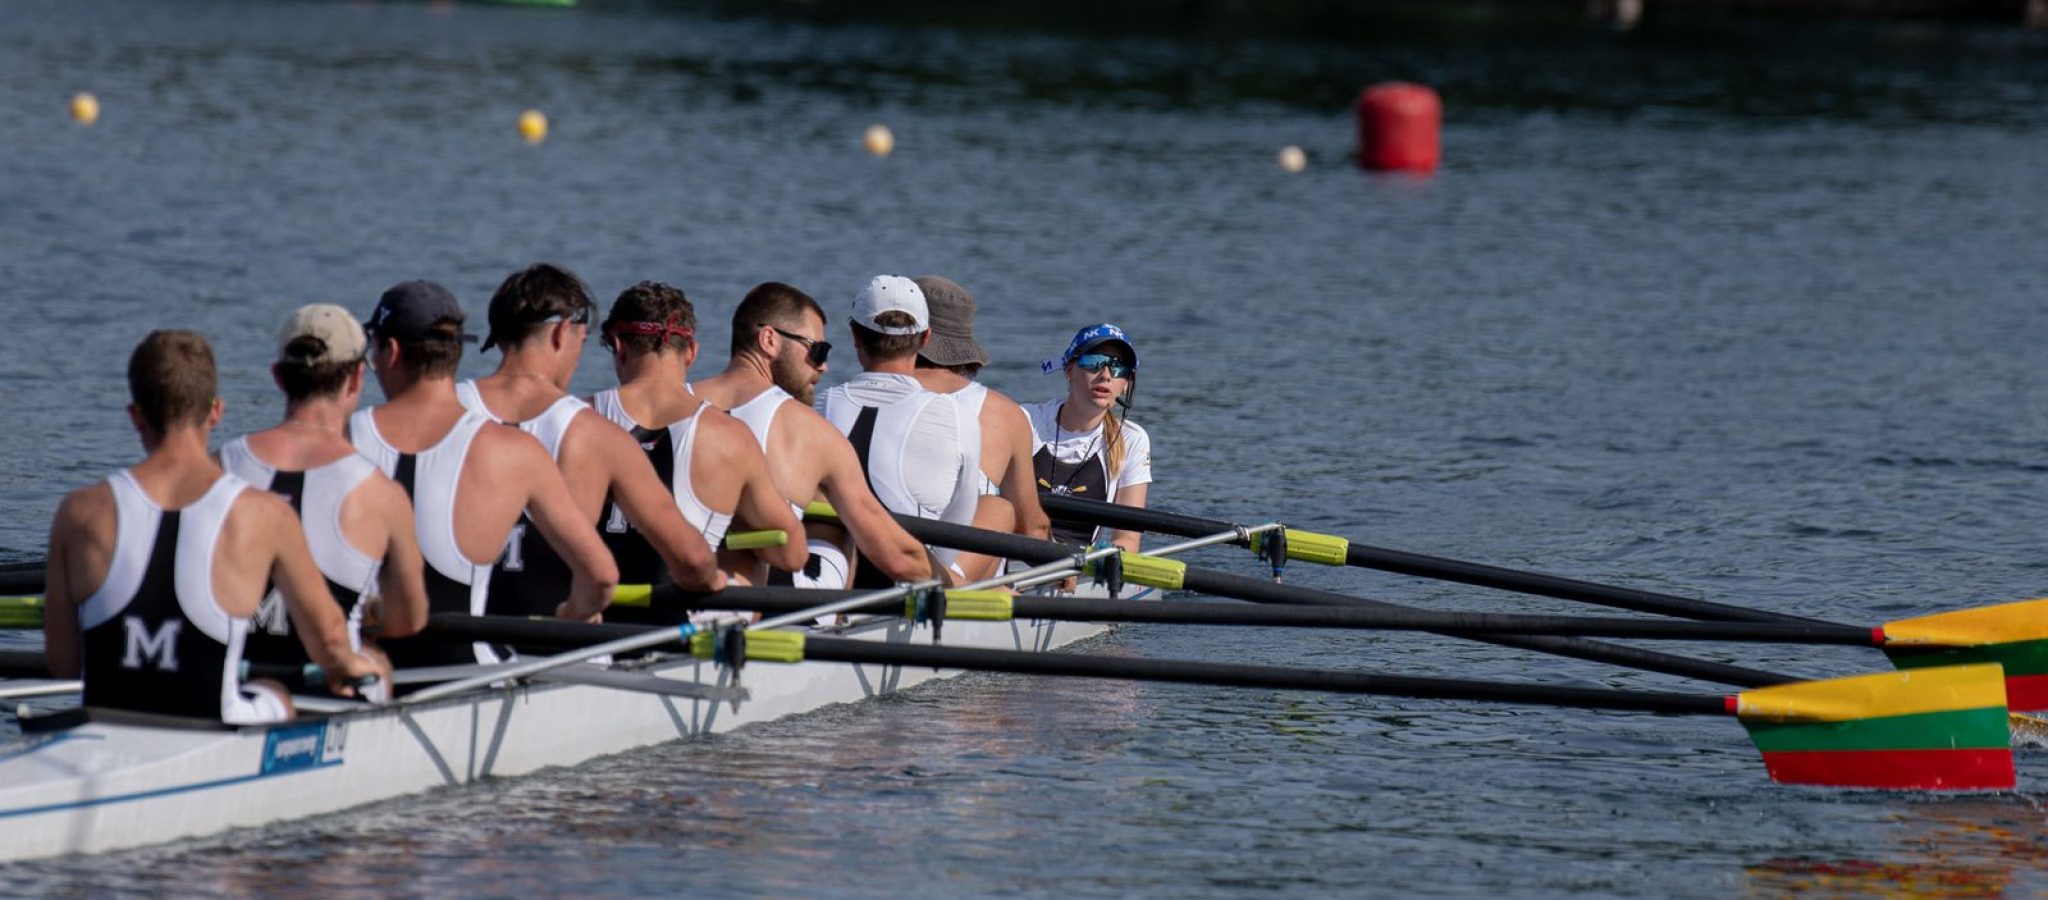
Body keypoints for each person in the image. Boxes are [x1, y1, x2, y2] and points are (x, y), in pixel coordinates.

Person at [43, 330, 385, 724]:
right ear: (216, 411)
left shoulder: (79, 512)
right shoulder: (265, 515)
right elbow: (328, 639)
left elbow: (64, 663)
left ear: (135, 415)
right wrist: (351, 665)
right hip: (213, 728)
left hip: (106, 724)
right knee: (275, 694)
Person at [349, 280, 616, 668]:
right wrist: (574, 614)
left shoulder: (339, 440)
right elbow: (602, 577)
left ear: (390, 352)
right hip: (464, 672)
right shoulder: (515, 451)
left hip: (362, 669)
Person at [457, 264, 723, 621]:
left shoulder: (444, 411)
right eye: (581, 343)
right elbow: (692, 559)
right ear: (562, 332)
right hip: (553, 650)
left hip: (449, 646)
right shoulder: (595, 433)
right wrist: (713, 577)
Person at [218, 304, 428, 680]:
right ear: (357, 378)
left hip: (229, 686)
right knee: (377, 662)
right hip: (329, 691)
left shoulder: (219, 466)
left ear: (279, 377)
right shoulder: (382, 494)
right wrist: (370, 613)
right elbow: (408, 620)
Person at [690, 282, 931, 589]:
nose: (825, 367)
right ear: (769, 340)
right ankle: (839, 626)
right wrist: (941, 583)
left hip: (661, 584)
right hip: (766, 605)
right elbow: (897, 557)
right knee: (838, 524)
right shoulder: (812, 431)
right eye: (817, 350)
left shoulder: (673, 404)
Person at [590, 281, 806, 586]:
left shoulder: (575, 419)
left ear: (619, 345)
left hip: (589, 621)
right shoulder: (729, 437)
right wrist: (730, 518)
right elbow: (792, 555)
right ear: (691, 352)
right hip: (680, 621)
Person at [814, 275, 986, 586]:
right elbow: (956, 533)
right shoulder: (958, 417)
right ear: (925, 339)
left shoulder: (821, 405)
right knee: (998, 507)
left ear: (855, 336)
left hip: (834, 581)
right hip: (912, 581)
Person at [908, 275, 1051, 581]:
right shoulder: (1005, 414)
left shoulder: (852, 397)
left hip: (866, 562)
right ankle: (953, 583)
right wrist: (1065, 565)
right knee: (998, 509)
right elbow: (1032, 529)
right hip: (946, 583)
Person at [1025, 324, 1153, 551]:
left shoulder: (1131, 440)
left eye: (1117, 367)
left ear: (1126, 384)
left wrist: (1113, 555)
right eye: (1094, 362)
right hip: (1014, 554)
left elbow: (1127, 539)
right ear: (1069, 370)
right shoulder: (1027, 421)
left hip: (1079, 568)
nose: (1105, 375)